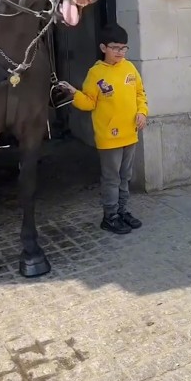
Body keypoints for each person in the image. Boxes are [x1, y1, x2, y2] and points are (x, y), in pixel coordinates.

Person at [57, 24, 148, 234]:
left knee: (125, 176)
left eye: (124, 48)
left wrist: (142, 112)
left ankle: (123, 210)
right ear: (103, 47)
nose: (120, 52)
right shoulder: (95, 73)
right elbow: (89, 102)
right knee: (112, 178)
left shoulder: (130, 68)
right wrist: (74, 94)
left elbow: (140, 94)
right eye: (115, 47)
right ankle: (110, 216)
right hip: (109, 137)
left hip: (130, 134)